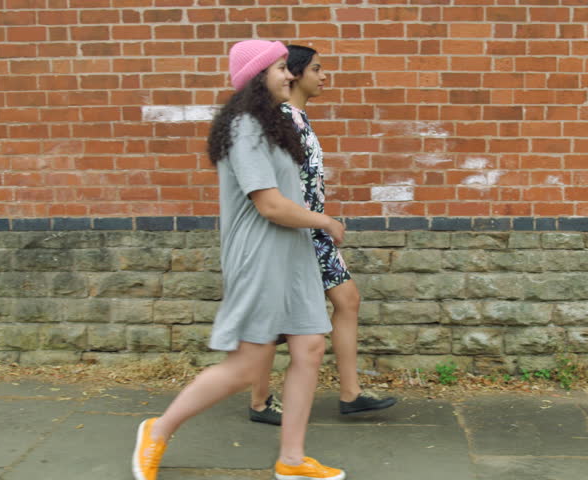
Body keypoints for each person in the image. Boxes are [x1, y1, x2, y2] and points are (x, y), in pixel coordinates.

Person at [131, 39, 346, 480]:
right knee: (248, 364)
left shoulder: (271, 126)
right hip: (260, 255)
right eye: (282, 68)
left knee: (309, 346)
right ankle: (159, 428)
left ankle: (291, 458)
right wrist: (324, 221)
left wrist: (312, 225)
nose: (290, 75)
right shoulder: (246, 127)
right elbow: (269, 204)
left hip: (293, 253)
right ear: (257, 76)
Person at [247, 44, 397, 427]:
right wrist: (313, 221)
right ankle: (260, 401)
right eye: (317, 69)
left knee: (347, 299)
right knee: (277, 323)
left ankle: (351, 394)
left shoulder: (298, 118)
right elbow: (272, 187)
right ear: (295, 74)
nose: (324, 75)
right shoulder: (277, 121)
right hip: (293, 231)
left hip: (314, 231)